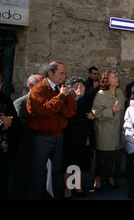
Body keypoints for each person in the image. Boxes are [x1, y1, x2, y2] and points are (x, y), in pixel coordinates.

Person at [26, 61, 77, 199]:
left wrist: (58, 107)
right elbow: (42, 111)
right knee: (38, 170)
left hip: (58, 134)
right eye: (61, 73)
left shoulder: (61, 88)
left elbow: (71, 109)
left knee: (55, 169)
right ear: (50, 73)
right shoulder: (39, 89)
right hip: (42, 136)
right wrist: (60, 98)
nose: (64, 76)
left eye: (65, 73)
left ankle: (54, 194)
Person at [91, 70, 126, 191]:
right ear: (106, 80)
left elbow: (123, 107)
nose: (117, 78)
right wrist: (111, 110)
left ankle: (111, 177)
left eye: (116, 76)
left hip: (117, 130)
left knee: (115, 156)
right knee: (103, 157)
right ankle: (98, 179)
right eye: (113, 77)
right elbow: (96, 113)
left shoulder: (120, 92)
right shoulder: (101, 94)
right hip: (105, 131)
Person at [11, 74, 44, 199]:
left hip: (40, 142)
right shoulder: (21, 102)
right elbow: (20, 125)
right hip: (25, 143)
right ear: (31, 85)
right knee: (23, 172)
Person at [61, 76, 94, 199]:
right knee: (69, 164)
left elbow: (85, 112)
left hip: (82, 136)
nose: (80, 89)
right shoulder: (66, 99)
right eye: (77, 87)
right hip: (70, 136)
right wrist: (79, 97)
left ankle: (78, 187)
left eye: (82, 87)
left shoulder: (83, 99)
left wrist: (89, 115)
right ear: (70, 90)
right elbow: (73, 113)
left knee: (79, 163)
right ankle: (68, 189)